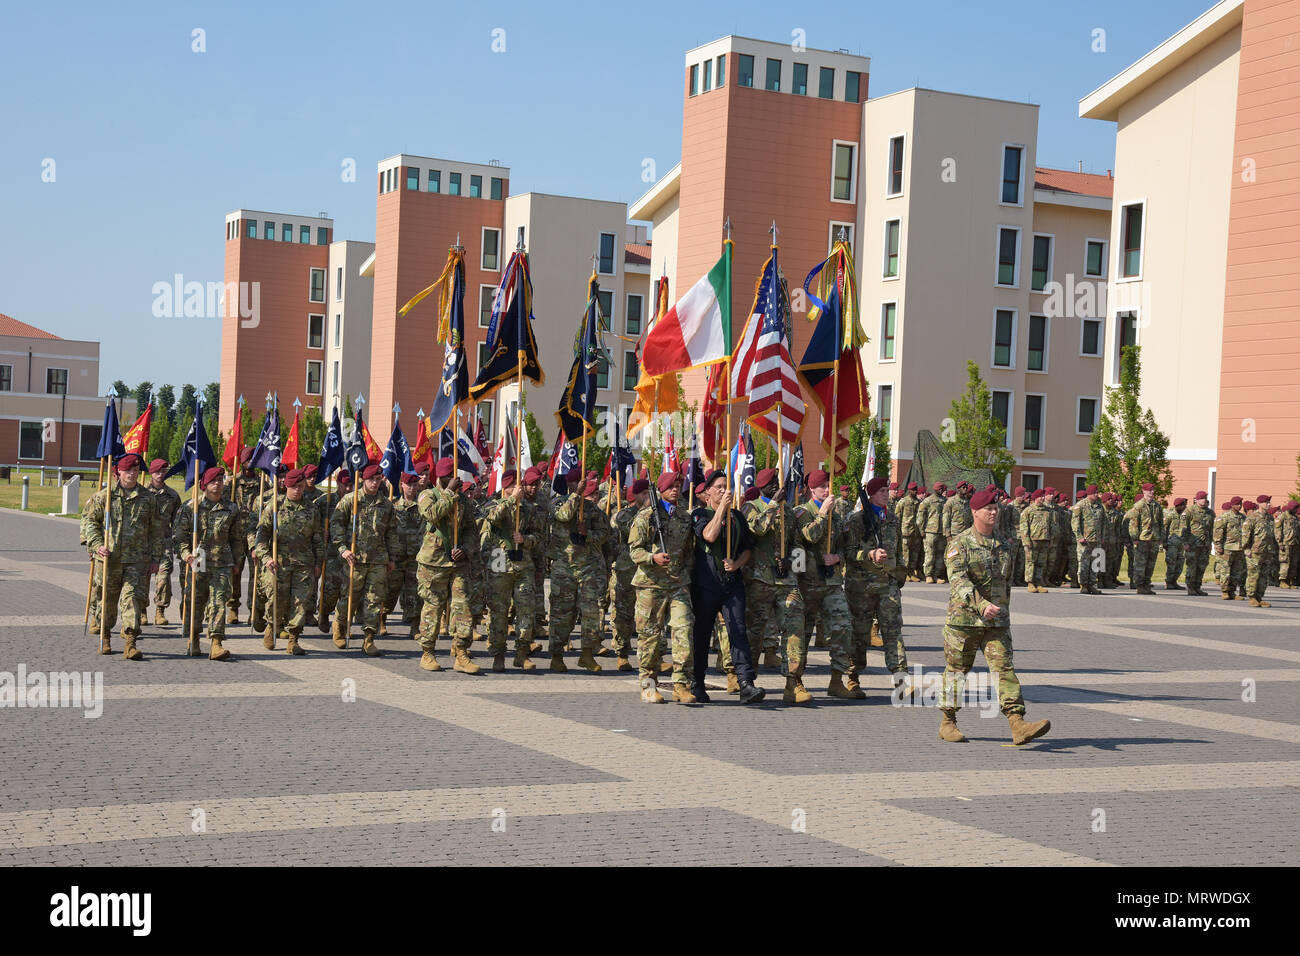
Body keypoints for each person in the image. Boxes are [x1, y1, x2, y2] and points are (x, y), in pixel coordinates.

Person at [938, 487, 1052, 745]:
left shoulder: (1004, 544)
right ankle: (948, 721)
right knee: (957, 671)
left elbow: (1005, 583)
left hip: (996, 622)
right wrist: (980, 604)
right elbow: (958, 580)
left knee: (1004, 669)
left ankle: (1017, 722)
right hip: (963, 621)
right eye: (988, 508)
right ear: (974, 511)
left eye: (995, 508)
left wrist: (999, 610)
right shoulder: (959, 544)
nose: (993, 512)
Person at [690, 469, 764, 704]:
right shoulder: (699, 514)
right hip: (706, 584)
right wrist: (721, 508)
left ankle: (745, 683)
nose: (724, 490)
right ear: (708, 491)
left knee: (738, 631)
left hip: (732, 583)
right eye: (719, 487)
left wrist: (737, 563)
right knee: (702, 634)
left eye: (726, 486)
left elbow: (748, 549)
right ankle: (698, 682)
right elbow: (709, 536)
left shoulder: (737, 517)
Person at [81, 453, 163, 660]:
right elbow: (89, 523)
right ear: (118, 472)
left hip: (136, 560)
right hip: (109, 560)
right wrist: (97, 545)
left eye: (135, 470)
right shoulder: (104, 497)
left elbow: (156, 530)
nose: (132, 474)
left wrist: (155, 558)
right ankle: (106, 635)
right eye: (128, 470)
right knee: (106, 601)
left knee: (133, 599)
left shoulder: (148, 499)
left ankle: (130, 642)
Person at [844, 476, 918, 698]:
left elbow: (898, 552)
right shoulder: (856, 521)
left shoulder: (893, 520)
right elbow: (847, 553)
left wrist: (899, 577)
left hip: (887, 585)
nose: (886, 494)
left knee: (893, 632)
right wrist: (868, 554)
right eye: (882, 491)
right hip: (861, 587)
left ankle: (901, 681)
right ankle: (852, 678)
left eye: (887, 490)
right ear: (872, 494)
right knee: (859, 634)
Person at [628, 470, 697, 703]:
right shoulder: (645, 516)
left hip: (677, 583)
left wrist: (684, 572)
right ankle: (648, 685)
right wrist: (652, 558)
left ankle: (681, 684)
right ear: (660, 490)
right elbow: (634, 551)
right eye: (670, 486)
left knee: (684, 630)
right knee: (650, 638)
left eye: (678, 485)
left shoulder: (684, 517)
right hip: (651, 584)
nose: (675, 489)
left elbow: (689, 551)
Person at [413, 457, 479, 672]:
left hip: (457, 563)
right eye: (447, 477)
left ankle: (461, 652)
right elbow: (431, 515)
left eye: (454, 476)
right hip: (433, 563)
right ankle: (428, 653)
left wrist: (466, 550)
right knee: (433, 608)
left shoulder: (463, 500)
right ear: (440, 478)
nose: (452, 480)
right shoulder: (427, 495)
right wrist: (449, 493)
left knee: (462, 607)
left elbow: (471, 529)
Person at [173, 465, 245, 660]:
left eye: (221, 481)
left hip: (222, 561)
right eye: (213, 481)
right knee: (195, 601)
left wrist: (237, 561)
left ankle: (216, 642)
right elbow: (179, 537)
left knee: (218, 602)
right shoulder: (190, 507)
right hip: (198, 559)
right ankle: (194, 638)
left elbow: (237, 538)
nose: (218, 484)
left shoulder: (231, 508)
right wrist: (186, 554)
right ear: (205, 484)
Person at [332, 462, 399, 657]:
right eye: (372, 479)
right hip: (354, 559)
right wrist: (343, 550)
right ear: (363, 479)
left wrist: (392, 558)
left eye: (378, 480)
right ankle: (340, 625)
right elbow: (336, 526)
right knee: (349, 597)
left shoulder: (386, 504)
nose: (375, 483)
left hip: (378, 559)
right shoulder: (350, 500)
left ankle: (369, 638)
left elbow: (391, 533)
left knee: (374, 600)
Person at [254, 466, 323, 655]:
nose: (298, 490)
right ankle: (272, 626)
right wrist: (266, 558)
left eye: (300, 486)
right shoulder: (274, 506)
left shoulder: (311, 508)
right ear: (286, 485)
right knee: (277, 600)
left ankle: (294, 639)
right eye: (294, 486)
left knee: (300, 603)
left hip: (304, 564)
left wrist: (319, 562)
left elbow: (317, 537)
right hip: (279, 564)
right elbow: (261, 536)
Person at [482, 465, 543, 671]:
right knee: (499, 611)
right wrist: (510, 500)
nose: (518, 489)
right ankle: (498, 655)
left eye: (518, 486)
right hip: (499, 560)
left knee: (526, 610)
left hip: (523, 563)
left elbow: (539, 536)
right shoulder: (494, 504)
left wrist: (525, 539)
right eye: (513, 486)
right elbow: (492, 518)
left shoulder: (528, 509)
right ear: (505, 487)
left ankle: (521, 653)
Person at [144, 457, 182, 624]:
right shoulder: (142, 494)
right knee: (143, 578)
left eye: (163, 471)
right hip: (144, 543)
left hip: (165, 542)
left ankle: (160, 610)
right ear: (151, 472)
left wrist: (177, 541)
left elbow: (178, 521)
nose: (160, 474)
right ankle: (142, 610)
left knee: (164, 577)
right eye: (157, 471)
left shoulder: (173, 496)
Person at [1213, 496, 1247, 600]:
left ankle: (1232, 591)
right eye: (1237, 504)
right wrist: (1218, 545)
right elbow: (1218, 532)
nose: (1239, 506)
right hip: (1227, 548)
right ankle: (1225, 591)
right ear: (1232, 505)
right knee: (1225, 571)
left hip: (1239, 549)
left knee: (1236, 572)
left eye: (1241, 504)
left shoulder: (1243, 517)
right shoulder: (1224, 517)